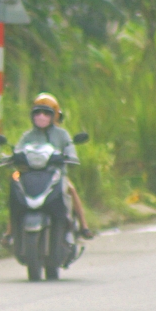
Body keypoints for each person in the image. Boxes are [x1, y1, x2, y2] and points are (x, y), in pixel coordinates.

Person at [13, 93, 94, 243]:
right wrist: (13, 156)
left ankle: (84, 225)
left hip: (56, 176)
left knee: (71, 189)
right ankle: (9, 231)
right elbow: (17, 149)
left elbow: (70, 150)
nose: (41, 116)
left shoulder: (62, 135)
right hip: (30, 175)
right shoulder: (28, 136)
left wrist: (69, 157)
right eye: (37, 112)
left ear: (54, 115)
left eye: (46, 113)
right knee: (15, 191)